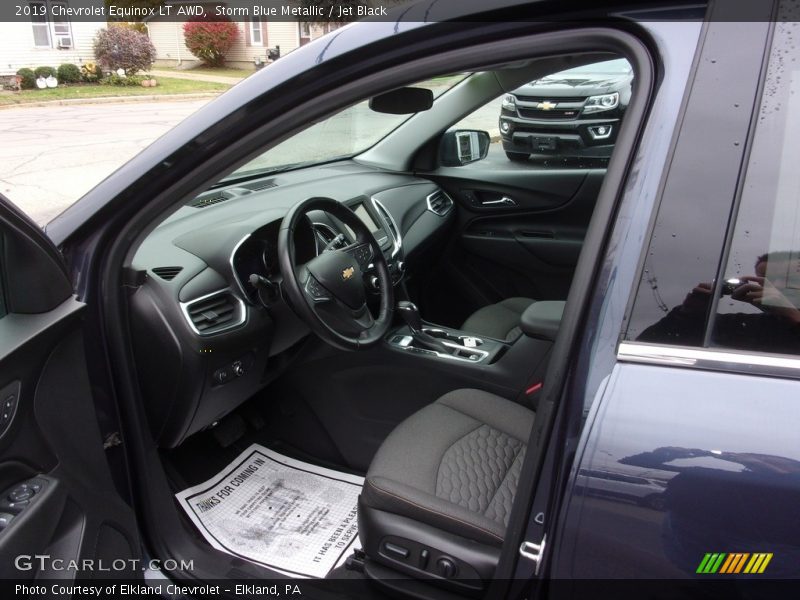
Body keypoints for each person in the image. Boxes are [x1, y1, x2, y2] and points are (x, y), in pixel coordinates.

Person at [638, 251, 800, 353]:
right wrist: (688, 313)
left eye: (790, 279)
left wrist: (792, 315)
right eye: (767, 280)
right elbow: (647, 345)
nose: (776, 286)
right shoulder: (754, 327)